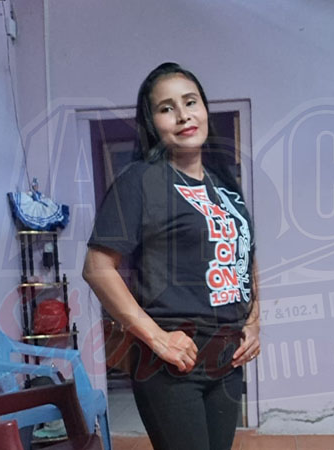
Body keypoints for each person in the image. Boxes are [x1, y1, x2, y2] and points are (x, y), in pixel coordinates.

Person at [82, 62, 260, 450]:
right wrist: (157, 339)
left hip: (227, 359)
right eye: (167, 108)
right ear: (152, 123)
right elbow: (97, 268)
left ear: (205, 108)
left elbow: (247, 253)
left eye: (190, 102)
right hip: (171, 363)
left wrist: (254, 319)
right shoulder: (140, 181)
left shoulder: (226, 185)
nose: (183, 115)